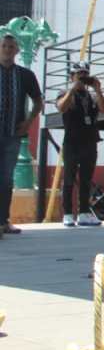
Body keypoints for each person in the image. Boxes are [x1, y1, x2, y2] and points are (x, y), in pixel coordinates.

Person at [55, 62, 104, 227]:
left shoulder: (91, 95)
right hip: (72, 142)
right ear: (72, 77)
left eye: (85, 74)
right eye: (79, 74)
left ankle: (84, 212)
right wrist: (72, 89)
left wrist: (98, 89)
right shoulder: (65, 93)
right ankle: (68, 213)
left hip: (90, 141)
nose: (83, 77)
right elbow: (61, 108)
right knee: (69, 178)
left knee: (86, 179)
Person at [0, 34, 42, 237]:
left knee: (6, 179)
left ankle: (4, 221)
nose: (7, 50)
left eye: (11, 47)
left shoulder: (25, 75)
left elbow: (38, 102)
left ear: (17, 50)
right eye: (4, 46)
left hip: (12, 134)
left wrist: (28, 122)